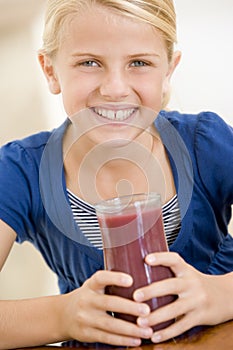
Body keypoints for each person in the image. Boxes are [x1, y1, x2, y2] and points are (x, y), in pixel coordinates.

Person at [0, 0, 233, 348]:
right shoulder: (20, 171)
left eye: (139, 63)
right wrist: (61, 316)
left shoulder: (206, 145)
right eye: (89, 63)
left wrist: (223, 293)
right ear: (50, 71)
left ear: (169, 70)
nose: (115, 88)